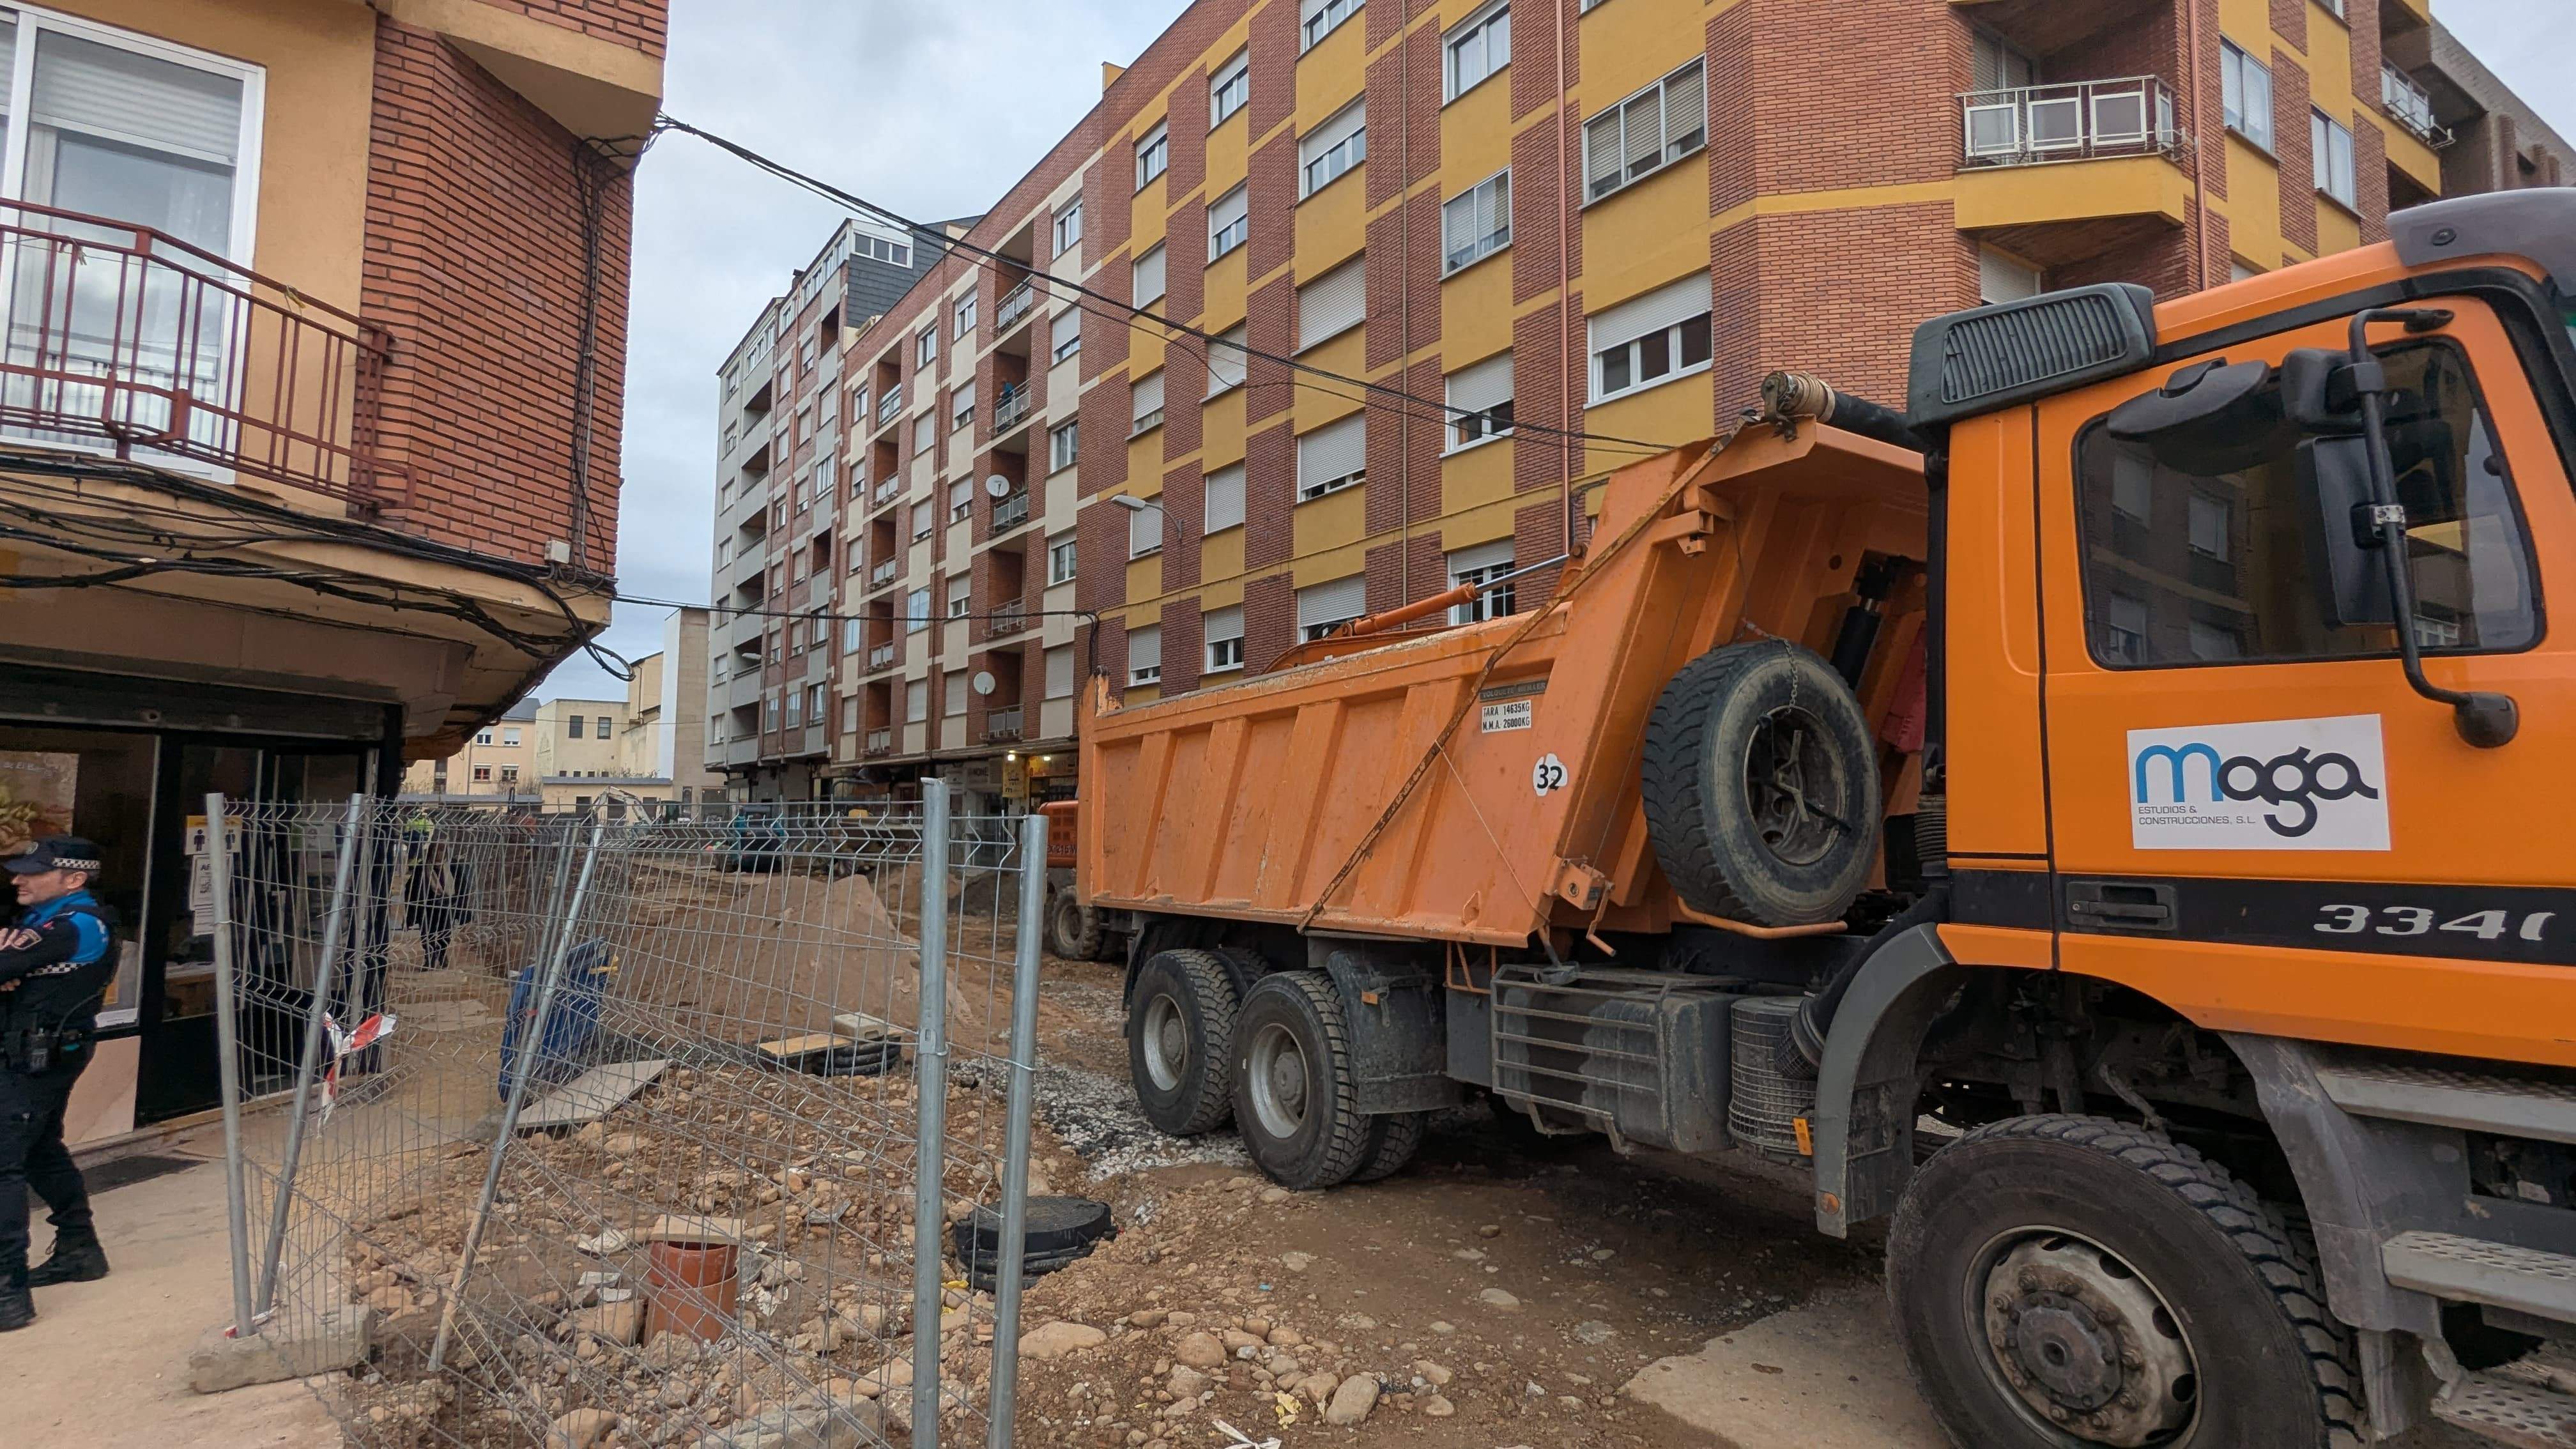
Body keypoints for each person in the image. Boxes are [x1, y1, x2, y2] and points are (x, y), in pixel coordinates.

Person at [0, 836, 118, 1331]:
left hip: (37, 1057)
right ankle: (78, 1248)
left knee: (4, 1164)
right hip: (37, 1052)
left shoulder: (75, 926)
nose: (17, 880)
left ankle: (8, 1293)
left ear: (74, 879)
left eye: (32, 872)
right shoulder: (47, 923)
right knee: (42, 1150)